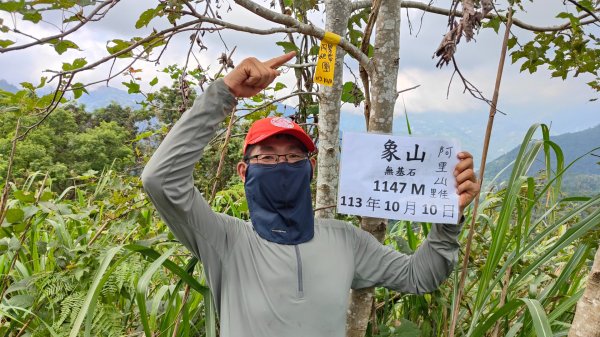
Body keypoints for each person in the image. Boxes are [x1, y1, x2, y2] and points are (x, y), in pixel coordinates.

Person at [141, 51, 479, 337]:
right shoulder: (224, 240)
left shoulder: (346, 241)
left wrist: (448, 214)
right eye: (268, 157)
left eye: (293, 156)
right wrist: (225, 93)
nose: (282, 164)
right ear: (244, 172)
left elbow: (419, 277)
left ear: (310, 168)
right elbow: (161, 180)